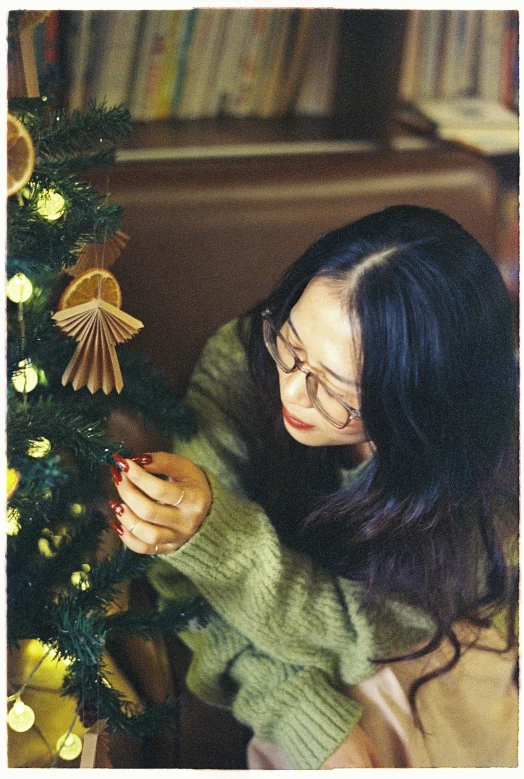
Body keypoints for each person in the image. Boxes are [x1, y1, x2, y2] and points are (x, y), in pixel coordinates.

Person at [108, 205, 518, 769]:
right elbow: (184, 590)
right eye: (292, 344)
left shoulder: (479, 458)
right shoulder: (242, 362)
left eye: (338, 391)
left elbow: (369, 634)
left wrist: (219, 535)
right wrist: (301, 715)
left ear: (418, 404)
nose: (295, 393)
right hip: (306, 631)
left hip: (434, 629)